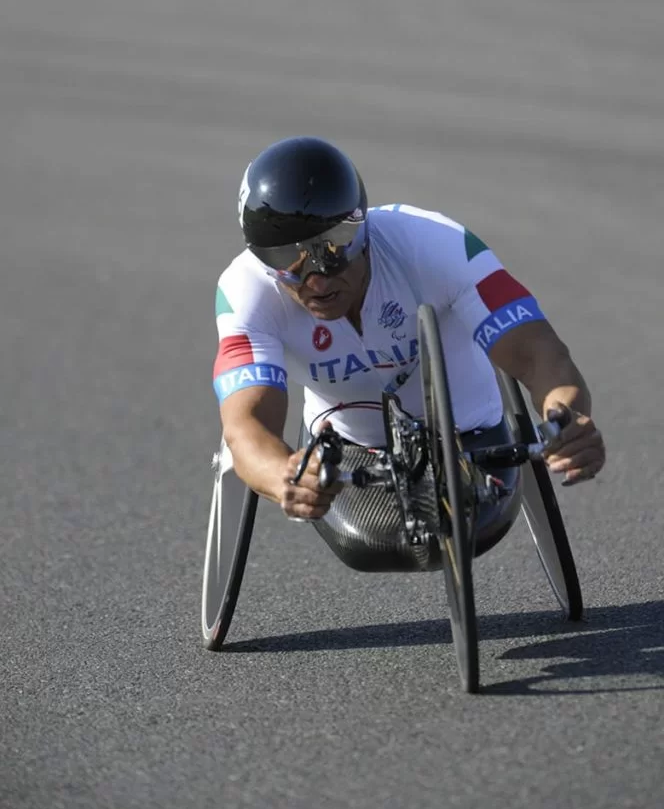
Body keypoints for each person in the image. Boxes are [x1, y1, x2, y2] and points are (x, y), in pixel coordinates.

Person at [214, 137, 605, 523]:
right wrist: (284, 476)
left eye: (333, 247)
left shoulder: (436, 242)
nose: (316, 281)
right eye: (288, 259)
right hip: (350, 449)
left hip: (473, 434)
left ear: (362, 225)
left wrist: (568, 420)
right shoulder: (243, 290)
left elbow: (539, 352)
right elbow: (246, 424)